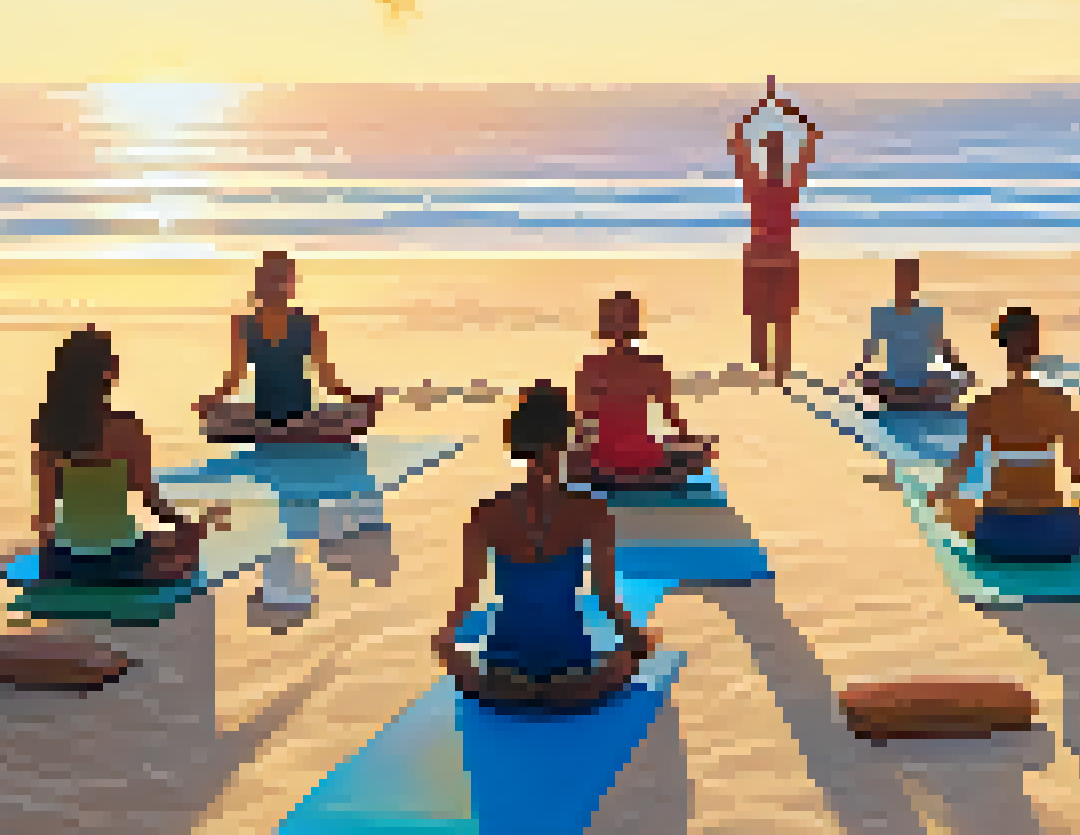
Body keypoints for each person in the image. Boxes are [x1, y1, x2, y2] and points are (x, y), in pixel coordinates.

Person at [434, 382, 655, 711]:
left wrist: (446, 641)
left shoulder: (486, 513)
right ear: (565, 441)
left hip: (505, 671)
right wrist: (636, 642)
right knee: (632, 654)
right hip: (571, 671)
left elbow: (468, 593)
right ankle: (558, 691)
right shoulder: (590, 511)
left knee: (470, 670)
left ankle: (519, 689)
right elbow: (605, 598)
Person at [34, 327, 224, 585]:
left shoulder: (49, 428)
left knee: (155, 540)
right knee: (187, 542)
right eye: (112, 357)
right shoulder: (126, 428)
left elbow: (45, 511)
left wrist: (49, 564)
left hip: (68, 560)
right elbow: (151, 499)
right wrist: (187, 525)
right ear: (107, 371)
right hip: (120, 560)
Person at [926, 307, 1080, 561]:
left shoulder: (984, 404)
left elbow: (962, 466)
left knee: (951, 506)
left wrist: (939, 492)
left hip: (996, 535)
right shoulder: (1060, 403)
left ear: (1003, 346)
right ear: (1036, 347)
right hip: (1054, 536)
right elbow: (1076, 470)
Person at [196, 250, 381, 443]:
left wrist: (354, 399)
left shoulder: (302, 323)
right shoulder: (253, 325)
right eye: (276, 281)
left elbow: (326, 377)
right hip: (278, 416)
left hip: (289, 416)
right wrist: (213, 400)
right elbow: (236, 376)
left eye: (282, 281)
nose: (279, 288)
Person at [730, 77, 822, 386]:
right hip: (776, 255)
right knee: (777, 317)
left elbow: (737, 141)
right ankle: (775, 368)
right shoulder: (786, 184)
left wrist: (763, 106)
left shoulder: (757, 183)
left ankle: (768, 368)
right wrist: (784, 107)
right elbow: (812, 137)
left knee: (766, 316)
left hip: (765, 255)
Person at [572, 291, 711, 488]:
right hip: (642, 458)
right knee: (698, 453)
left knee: (572, 455)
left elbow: (582, 421)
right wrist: (692, 443)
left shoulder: (589, 367)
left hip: (606, 458)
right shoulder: (650, 366)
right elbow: (671, 417)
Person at [855, 258, 975, 410]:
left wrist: (961, 372)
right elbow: (869, 353)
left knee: (951, 379)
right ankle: (909, 398)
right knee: (872, 382)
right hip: (896, 383)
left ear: (915, 283)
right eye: (902, 278)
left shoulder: (929, 315)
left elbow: (943, 348)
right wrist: (862, 375)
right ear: (896, 280)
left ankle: (913, 397)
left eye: (909, 278)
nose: (905, 284)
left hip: (923, 383)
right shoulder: (883, 315)